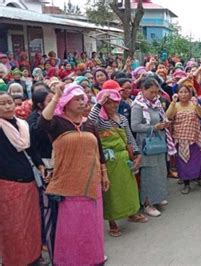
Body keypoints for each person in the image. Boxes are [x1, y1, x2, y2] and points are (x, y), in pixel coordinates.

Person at [39, 83, 109, 265]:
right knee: (72, 225)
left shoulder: (90, 124)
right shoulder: (57, 123)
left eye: (82, 99)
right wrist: (56, 96)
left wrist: (104, 173)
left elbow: (99, 151)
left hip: (92, 181)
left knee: (91, 224)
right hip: (69, 183)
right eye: (76, 99)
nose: (81, 102)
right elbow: (42, 123)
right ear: (66, 102)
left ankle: (94, 257)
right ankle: (71, 260)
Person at [88, 81, 146, 237]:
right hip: (109, 160)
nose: (113, 105)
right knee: (111, 192)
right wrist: (98, 104)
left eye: (115, 102)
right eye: (109, 102)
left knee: (128, 187)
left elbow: (128, 137)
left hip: (124, 157)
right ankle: (112, 222)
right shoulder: (99, 120)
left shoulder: (122, 118)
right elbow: (90, 122)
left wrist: (137, 152)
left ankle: (131, 212)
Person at [0, 91, 43, 265]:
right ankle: (15, 260)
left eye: (10, 102)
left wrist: (40, 164)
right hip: (7, 183)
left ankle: (33, 257)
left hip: (28, 181)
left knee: (31, 222)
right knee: (13, 226)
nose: (8, 106)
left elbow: (32, 150)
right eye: (2, 104)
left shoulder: (22, 125)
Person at [131, 78, 175, 217]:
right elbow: (135, 126)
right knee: (149, 174)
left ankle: (157, 198)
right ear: (143, 90)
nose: (154, 95)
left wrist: (164, 124)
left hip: (158, 141)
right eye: (151, 92)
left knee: (159, 171)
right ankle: (147, 203)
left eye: (156, 92)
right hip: (146, 144)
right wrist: (153, 127)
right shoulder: (138, 106)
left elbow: (160, 118)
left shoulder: (156, 104)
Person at [166, 84, 201, 194]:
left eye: (186, 92)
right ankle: (186, 184)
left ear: (190, 94)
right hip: (181, 139)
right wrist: (172, 102)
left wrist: (197, 106)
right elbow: (168, 116)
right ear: (177, 94)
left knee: (197, 160)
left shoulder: (194, 104)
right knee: (183, 162)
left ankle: (199, 179)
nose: (184, 94)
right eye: (181, 92)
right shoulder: (175, 105)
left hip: (194, 138)